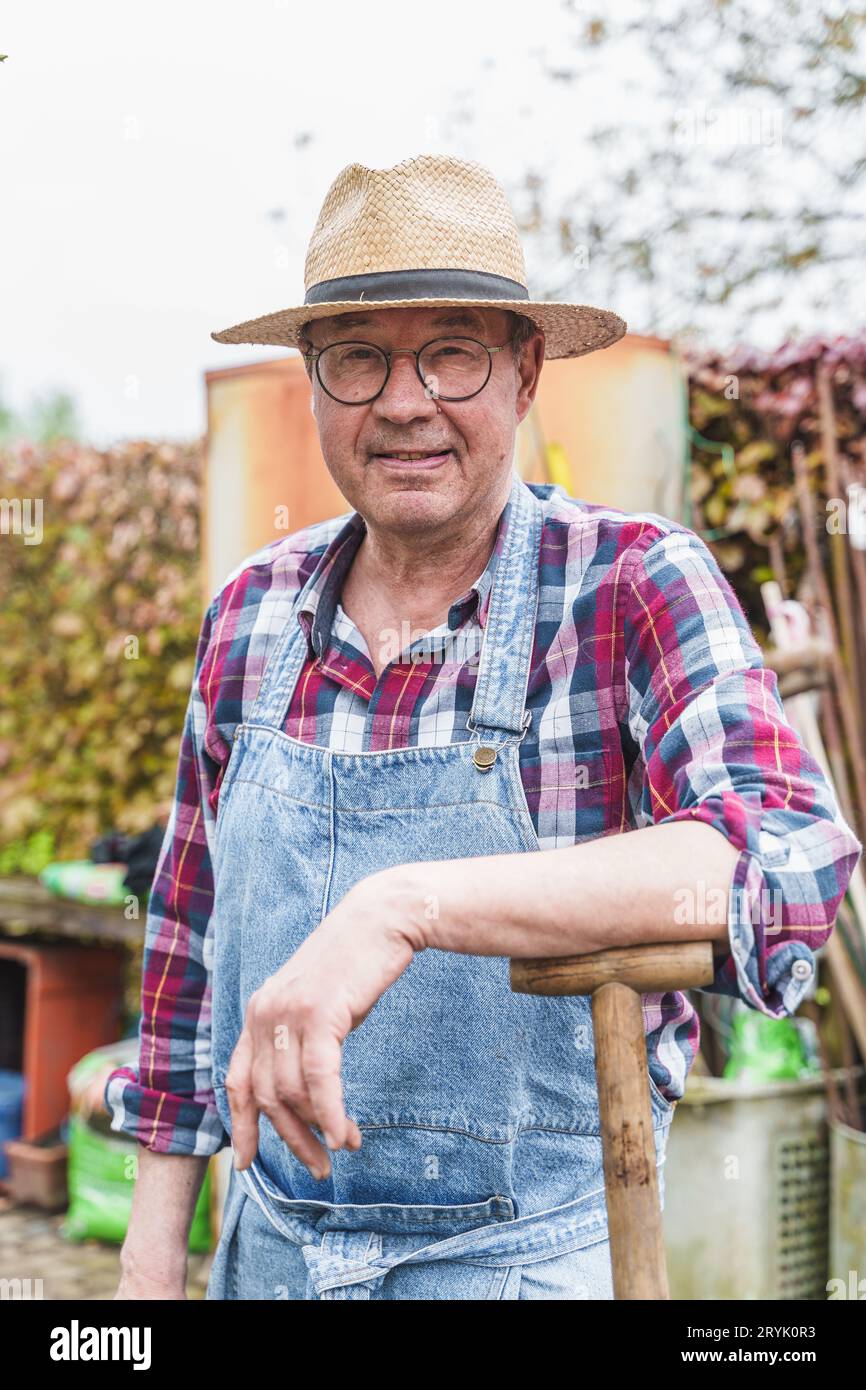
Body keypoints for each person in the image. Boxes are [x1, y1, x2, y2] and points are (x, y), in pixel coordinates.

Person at [106, 154, 862, 1300]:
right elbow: (184, 941)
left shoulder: (630, 585)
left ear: (522, 370)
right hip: (262, 1261)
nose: (403, 401)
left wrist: (404, 907)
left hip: (525, 1265)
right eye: (357, 356)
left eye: (450, 350)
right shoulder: (250, 614)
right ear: (312, 383)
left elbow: (778, 856)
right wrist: (151, 1254)